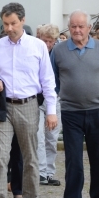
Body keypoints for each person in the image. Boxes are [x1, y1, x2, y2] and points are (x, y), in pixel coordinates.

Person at [0, 2, 58, 198]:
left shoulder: (37, 46)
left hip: (29, 105)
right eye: (5, 23)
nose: (8, 28)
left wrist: (51, 110)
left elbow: (47, 80)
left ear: (22, 21)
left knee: (30, 157)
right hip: (3, 106)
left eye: (12, 23)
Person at [51, 10, 99, 198]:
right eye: (73, 26)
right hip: (71, 113)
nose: (77, 30)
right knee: (73, 159)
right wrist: (68, 94)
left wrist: (95, 92)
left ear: (89, 28)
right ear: (68, 28)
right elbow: (54, 79)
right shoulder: (59, 51)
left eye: (81, 26)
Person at [35, 24, 62, 187]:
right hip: (38, 98)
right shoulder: (35, 51)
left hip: (54, 97)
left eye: (50, 41)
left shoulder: (58, 54)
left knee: (52, 137)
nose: (47, 44)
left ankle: (49, 171)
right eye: (45, 40)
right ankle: (40, 172)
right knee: (38, 136)